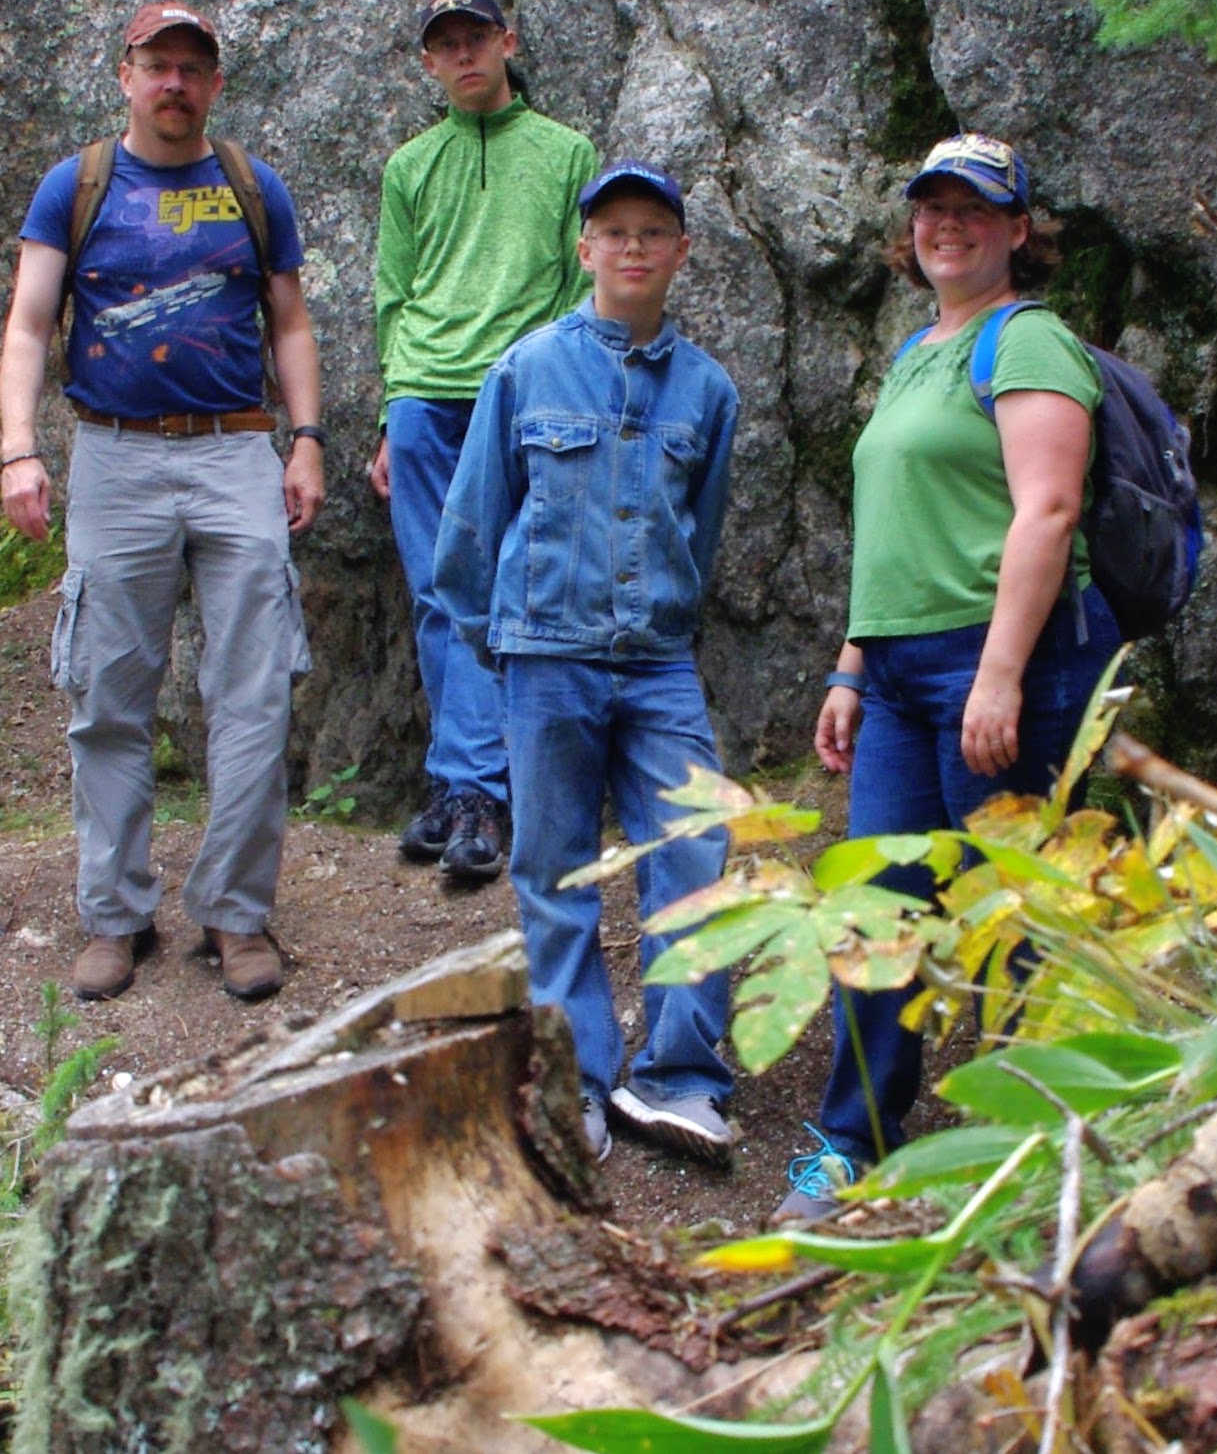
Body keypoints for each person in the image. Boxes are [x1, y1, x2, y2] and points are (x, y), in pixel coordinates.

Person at [775, 133, 1121, 1222]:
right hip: (897, 676)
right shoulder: (923, 350)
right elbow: (895, 530)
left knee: (1006, 909)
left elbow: (1049, 511)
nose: (947, 224)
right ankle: (853, 1142)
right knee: (878, 906)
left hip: (999, 660)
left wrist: (1002, 674)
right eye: (930, 206)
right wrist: (848, 667)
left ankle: (1027, 1147)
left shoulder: (1031, 341)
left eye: (974, 207)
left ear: (1020, 229)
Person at [0, 0, 325, 1005]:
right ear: (126, 73)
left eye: (193, 67)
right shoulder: (78, 187)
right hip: (114, 458)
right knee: (106, 693)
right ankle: (115, 912)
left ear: (215, 83)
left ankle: (234, 912)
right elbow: (28, 326)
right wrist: (19, 449)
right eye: (157, 65)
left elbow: (292, 324)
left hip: (234, 452)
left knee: (255, 691)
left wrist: (305, 438)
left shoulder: (250, 187)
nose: (174, 82)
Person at [434, 161, 741, 1166]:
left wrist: (666, 616)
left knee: (692, 852)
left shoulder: (708, 390)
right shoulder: (525, 370)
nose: (635, 247)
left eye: (656, 231)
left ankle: (683, 1077)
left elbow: (701, 528)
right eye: (614, 231)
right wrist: (505, 645)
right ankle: (582, 1081)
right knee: (555, 869)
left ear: (682, 251)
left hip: (658, 664)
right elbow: (472, 527)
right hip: (545, 658)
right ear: (585, 250)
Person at [372, 0, 600, 886]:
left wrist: (551, 386)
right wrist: (390, 410)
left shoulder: (566, 150)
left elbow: (577, 283)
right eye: (445, 45)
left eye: (477, 38)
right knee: (440, 593)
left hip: (518, 396)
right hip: (426, 396)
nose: (463, 56)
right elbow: (394, 293)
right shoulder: (409, 166)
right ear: (428, 62)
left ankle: (477, 786)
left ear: (506, 41)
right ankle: (467, 786)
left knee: (518, 594)